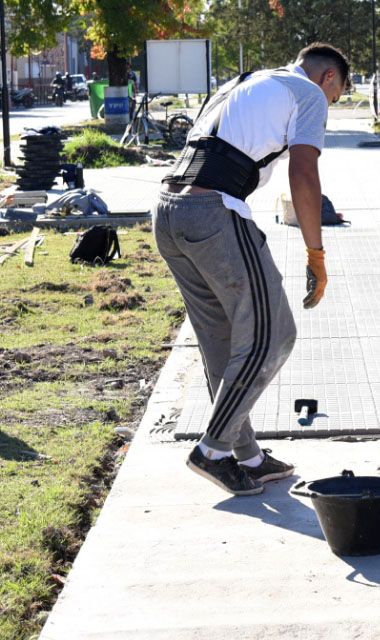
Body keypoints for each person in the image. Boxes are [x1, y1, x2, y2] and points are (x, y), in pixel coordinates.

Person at [154, 43, 350, 495]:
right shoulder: (309, 94)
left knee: (222, 341)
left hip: (168, 212)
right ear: (328, 79)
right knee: (273, 334)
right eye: (336, 97)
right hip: (212, 212)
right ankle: (213, 451)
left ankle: (248, 457)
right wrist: (315, 253)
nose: (330, 108)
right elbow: (302, 174)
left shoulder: (244, 81)